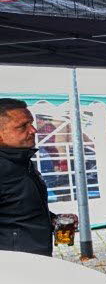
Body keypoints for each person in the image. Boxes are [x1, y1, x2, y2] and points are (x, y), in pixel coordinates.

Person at [0, 98, 56, 256]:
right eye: (22, 126)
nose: (33, 130)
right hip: (14, 269)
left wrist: (51, 219)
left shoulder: (22, 161)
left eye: (31, 123)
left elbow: (16, 211)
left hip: (35, 261)